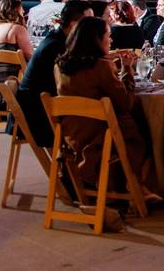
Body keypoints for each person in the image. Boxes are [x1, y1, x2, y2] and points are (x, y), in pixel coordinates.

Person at [54, 17, 153, 198]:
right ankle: (137, 186)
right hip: (100, 137)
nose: (111, 40)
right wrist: (127, 70)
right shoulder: (102, 67)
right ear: (97, 39)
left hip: (72, 136)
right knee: (148, 128)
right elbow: (125, 103)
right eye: (109, 36)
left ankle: (124, 186)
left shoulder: (59, 66)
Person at [13, 0, 94, 147]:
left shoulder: (58, 39)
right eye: (88, 22)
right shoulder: (57, 46)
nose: (91, 27)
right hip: (39, 117)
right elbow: (70, 82)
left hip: (38, 109)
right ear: (73, 24)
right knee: (97, 123)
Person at [0, 0, 34, 89]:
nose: (23, 11)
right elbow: (30, 55)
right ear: (15, 11)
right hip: (12, 79)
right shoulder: (17, 29)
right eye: (21, 8)